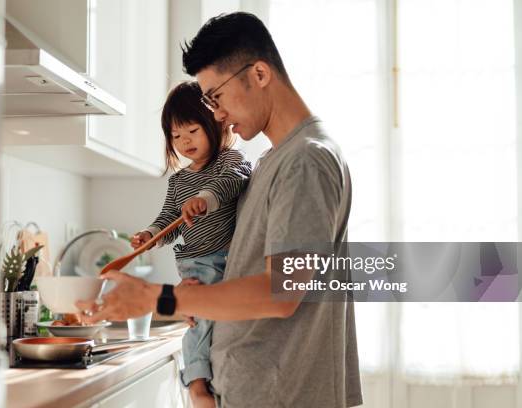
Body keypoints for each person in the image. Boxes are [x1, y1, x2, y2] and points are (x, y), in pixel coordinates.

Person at [79, 12, 363, 408]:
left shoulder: (305, 160)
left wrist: (159, 298)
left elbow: (280, 292)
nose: (215, 113)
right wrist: (197, 299)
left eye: (216, 96)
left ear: (260, 74)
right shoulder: (272, 161)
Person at [130, 80, 252, 407]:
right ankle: (198, 385)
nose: (184, 142)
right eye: (175, 136)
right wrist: (149, 236)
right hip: (194, 263)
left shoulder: (229, 160)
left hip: (226, 259)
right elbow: (168, 220)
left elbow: (234, 180)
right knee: (198, 324)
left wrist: (205, 198)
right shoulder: (178, 181)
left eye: (192, 131)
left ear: (214, 122)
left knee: (206, 323)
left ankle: (199, 385)